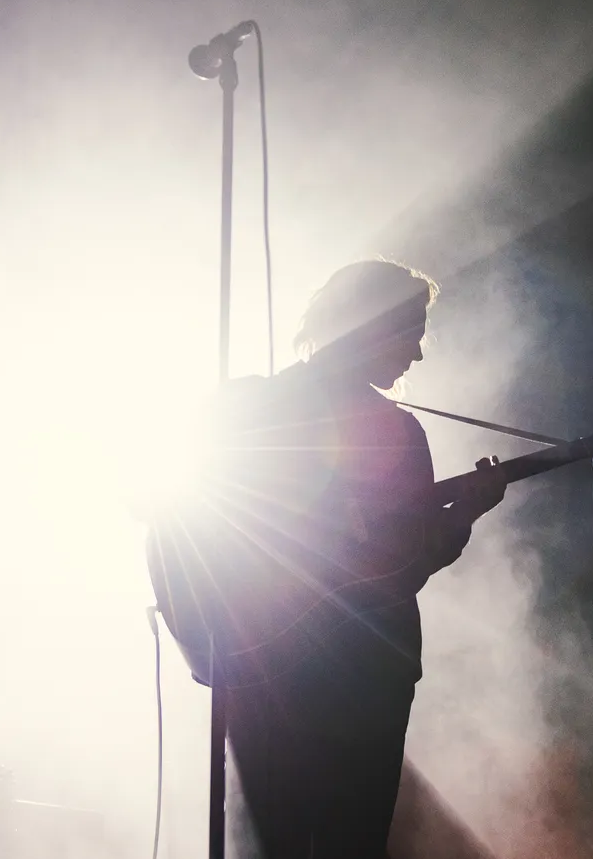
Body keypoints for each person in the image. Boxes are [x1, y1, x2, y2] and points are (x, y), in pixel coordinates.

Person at [213, 259, 507, 858]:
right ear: (373, 325)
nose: (417, 354)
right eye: (411, 332)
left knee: (265, 844)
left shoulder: (252, 405)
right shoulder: (395, 433)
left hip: (258, 666)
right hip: (362, 679)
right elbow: (401, 567)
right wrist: (465, 514)